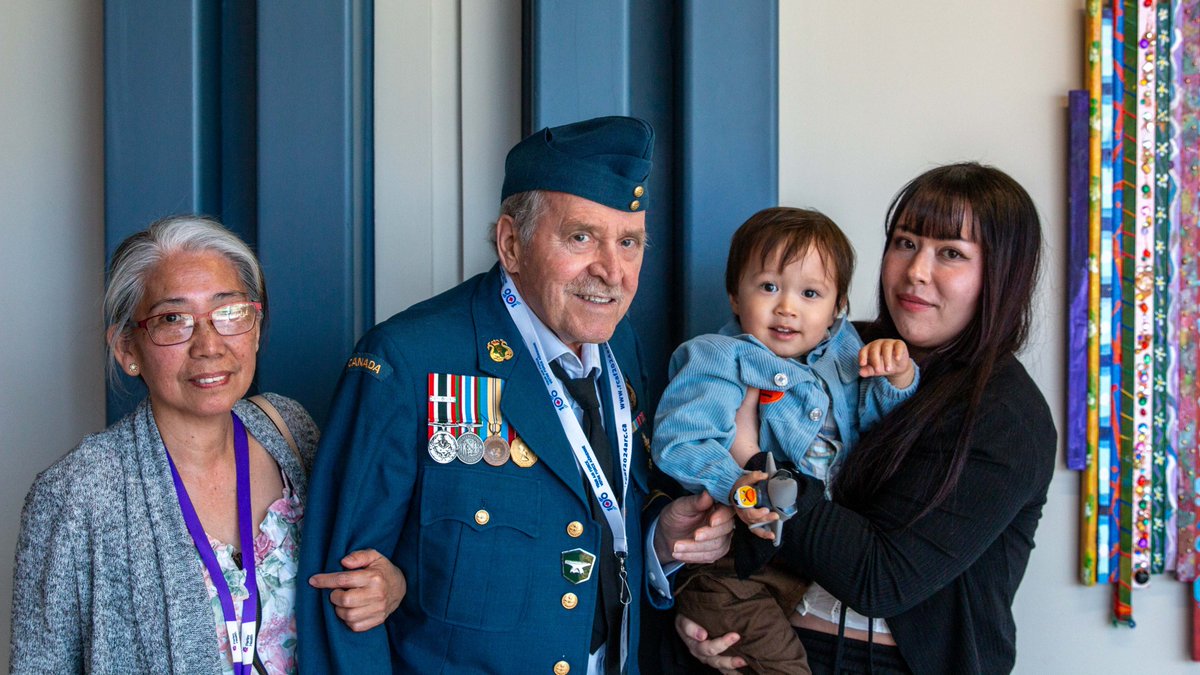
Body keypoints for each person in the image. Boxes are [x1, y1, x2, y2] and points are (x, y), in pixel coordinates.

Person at [297, 116, 735, 674]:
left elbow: (587, 511)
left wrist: (660, 541)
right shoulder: (408, 361)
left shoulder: (619, 342)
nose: (612, 270)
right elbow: (342, 599)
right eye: (581, 237)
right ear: (511, 243)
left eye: (629, 242)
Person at [678, 163, 1056, 674]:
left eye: (950, 253)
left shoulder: (1005, 416)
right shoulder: (828, 350)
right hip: (774, 638)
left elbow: (881, 579)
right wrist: (705, 614)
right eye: (905, 243)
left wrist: (752, 464)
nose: (916, 271)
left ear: (1002, 272)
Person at [8, 216, 401, 674]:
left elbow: (354, 575)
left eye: (229, 313)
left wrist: (391, 585)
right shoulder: (78, 492)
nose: (209, 345)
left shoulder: (291, 431)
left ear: (255, 327)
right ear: (127, 349)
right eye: (173, 319)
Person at [652, 207, 916, 674]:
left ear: (838, 308)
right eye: (769, 287)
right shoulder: (720, 357)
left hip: (802, 565)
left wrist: (897, 378)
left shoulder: (847, 353)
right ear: (735, 295)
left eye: (810, 293)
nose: (787, 307)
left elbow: (885, 436)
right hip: (731, 568)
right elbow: (680, 440)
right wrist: (739, 482)